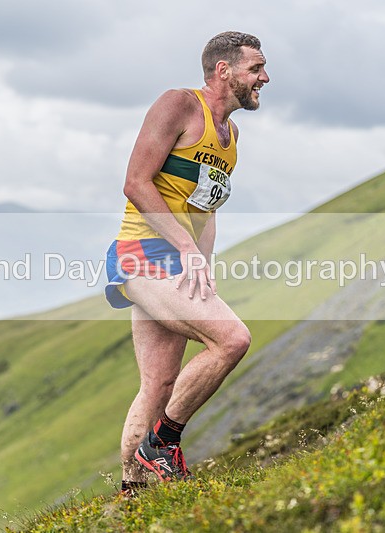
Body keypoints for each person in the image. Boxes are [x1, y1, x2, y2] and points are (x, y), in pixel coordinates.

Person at [104, 31, 269, 497]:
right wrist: (185, 248)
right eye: (256, 68)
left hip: (180, 260)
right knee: (232, 339)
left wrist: (203, 266)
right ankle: (162, 444)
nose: (264, 78)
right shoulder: (178, 104)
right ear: (223, 70)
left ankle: (132, 494)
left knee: (159, 384)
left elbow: (205, 210)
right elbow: (136, 182)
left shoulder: (231, 136)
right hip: (143, 253)